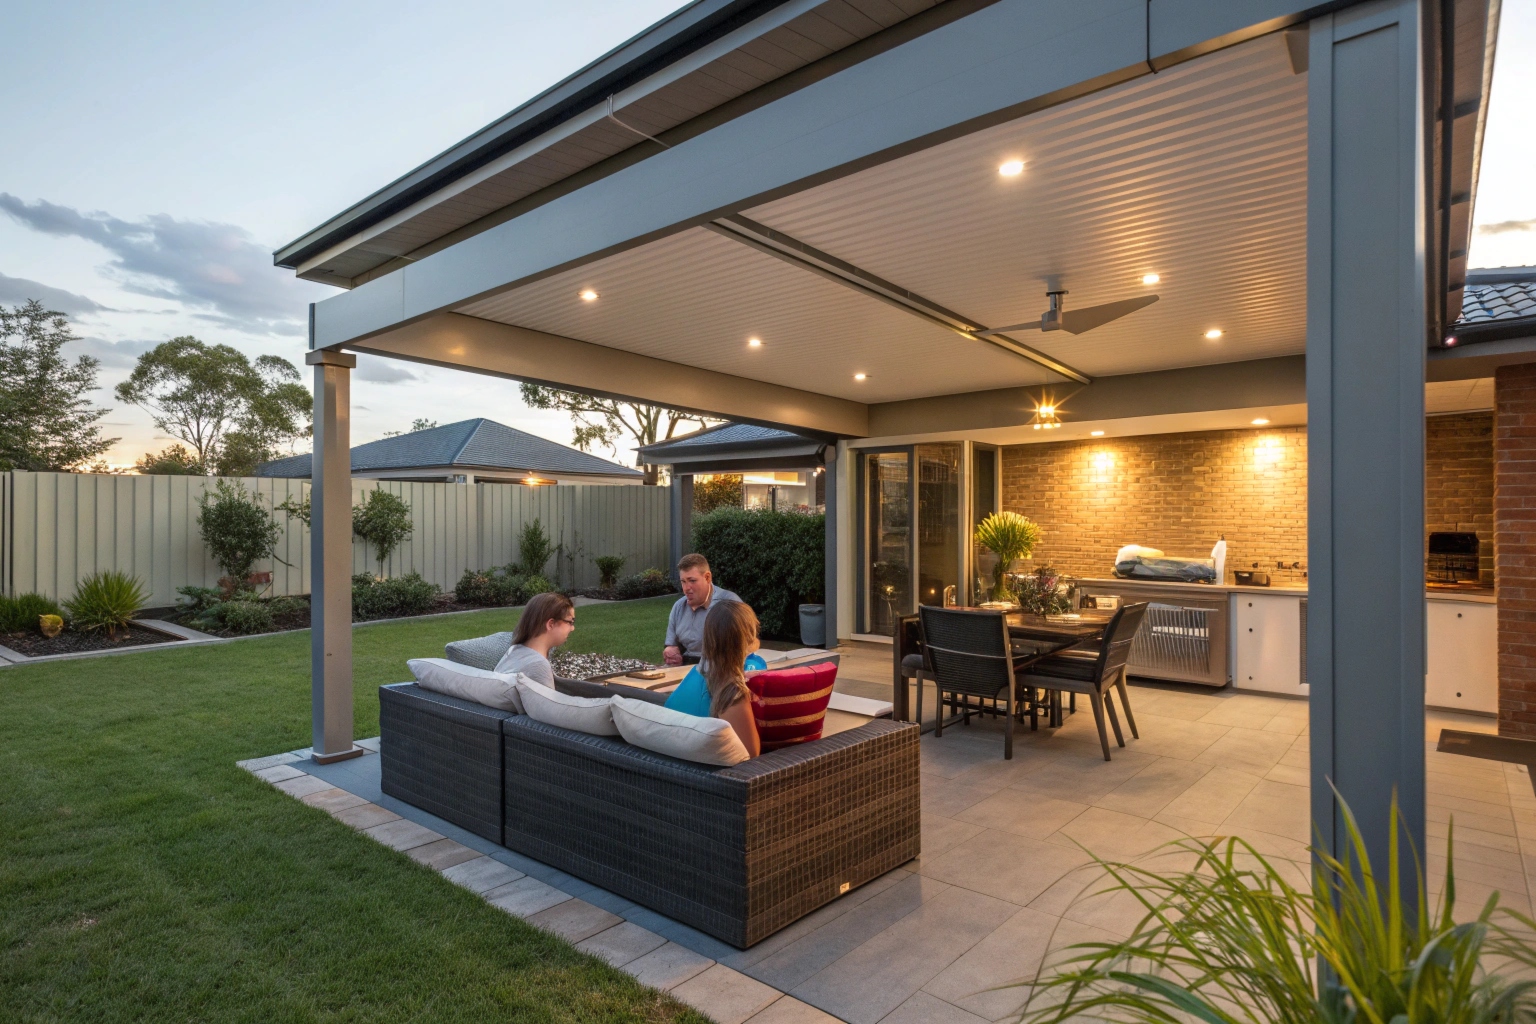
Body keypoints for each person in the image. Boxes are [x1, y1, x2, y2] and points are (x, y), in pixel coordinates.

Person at [663, 600, 762, 757]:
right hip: (702, 776)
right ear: (749, 637)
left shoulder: (695, 674)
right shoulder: (730, 692)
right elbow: (752, 755)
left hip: (667, 766)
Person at [663, 553, 739, 666]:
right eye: (683, 581)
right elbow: (671, 644)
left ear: (707, 577)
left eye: (692, 581)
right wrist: (670, 651)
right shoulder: (679, 607)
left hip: (719, 669)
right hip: (684, 668)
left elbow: (747, 645)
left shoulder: (729, 604)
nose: (686, 588)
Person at [494, 592, 575, 686]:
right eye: (570, 622)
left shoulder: (514, 651)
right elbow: (547, 701)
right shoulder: (538, 665)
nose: (572, 628)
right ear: (551, 624)